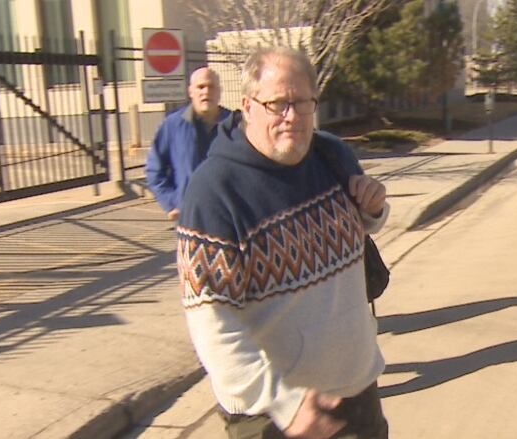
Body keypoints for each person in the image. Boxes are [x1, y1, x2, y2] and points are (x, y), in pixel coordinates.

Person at [176, 47, 390, 439]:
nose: (292, 116)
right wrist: (285, 405)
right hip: (275, 416)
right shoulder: (214, 193)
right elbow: (212, 324)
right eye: (278, 104)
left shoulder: (331, 154)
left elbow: (357, 232)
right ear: (247, 106)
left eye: (302, 103)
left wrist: (373, 209)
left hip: (357, 393)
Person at [145, 67, 233, 221]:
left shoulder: (236, 125)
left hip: (230, 216)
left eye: (211, 86)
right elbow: (154, 170)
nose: (206, 92)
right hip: (190, 218)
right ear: (191, 91)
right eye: (200, 87)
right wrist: (172, 202)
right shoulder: (172, 126)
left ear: (219, 91)